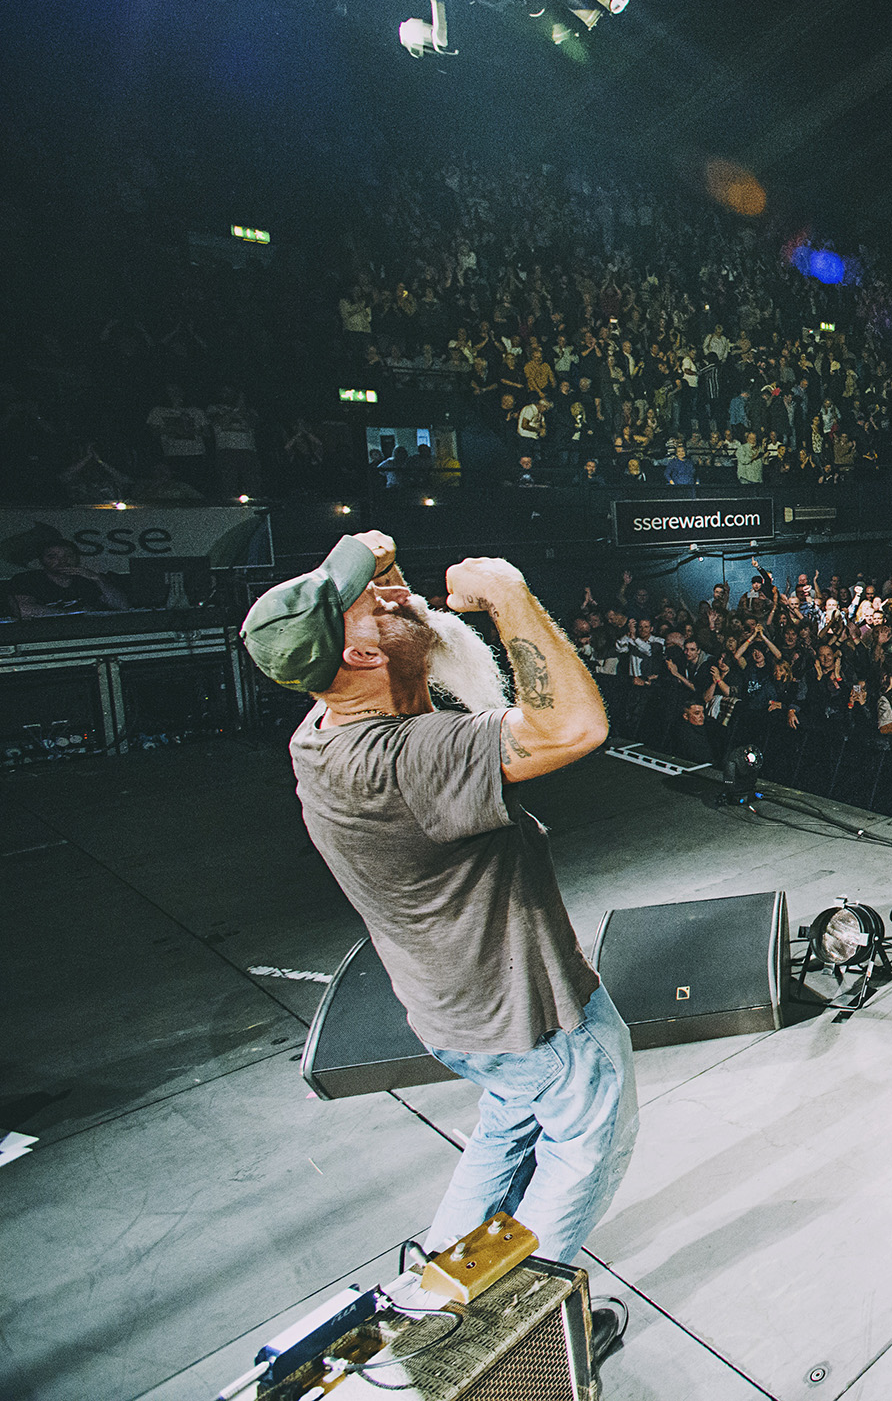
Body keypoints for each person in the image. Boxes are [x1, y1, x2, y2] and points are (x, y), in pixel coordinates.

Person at [239, 532, 631, 1354]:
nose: (398, 596)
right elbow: (573, 725)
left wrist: (377, 572)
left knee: (502, 1136)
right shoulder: (401, 759)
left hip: (459, 1017)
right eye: (374, 603)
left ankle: (429, 1308)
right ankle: (503, 1333)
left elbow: (402, 656)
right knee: (582, 1151)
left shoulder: (323, 732)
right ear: (355, 651)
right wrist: (511, 594)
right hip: (530, 1012)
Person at [8, 538, 132, 618]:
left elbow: (122, 606)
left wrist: (98, 579)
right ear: (42, 560)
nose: (62, 561)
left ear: (77, 558)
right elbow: (23, 610)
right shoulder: (27, 579)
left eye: (68, 555)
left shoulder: (85, 579)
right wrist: (73, 613)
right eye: (52, 557)